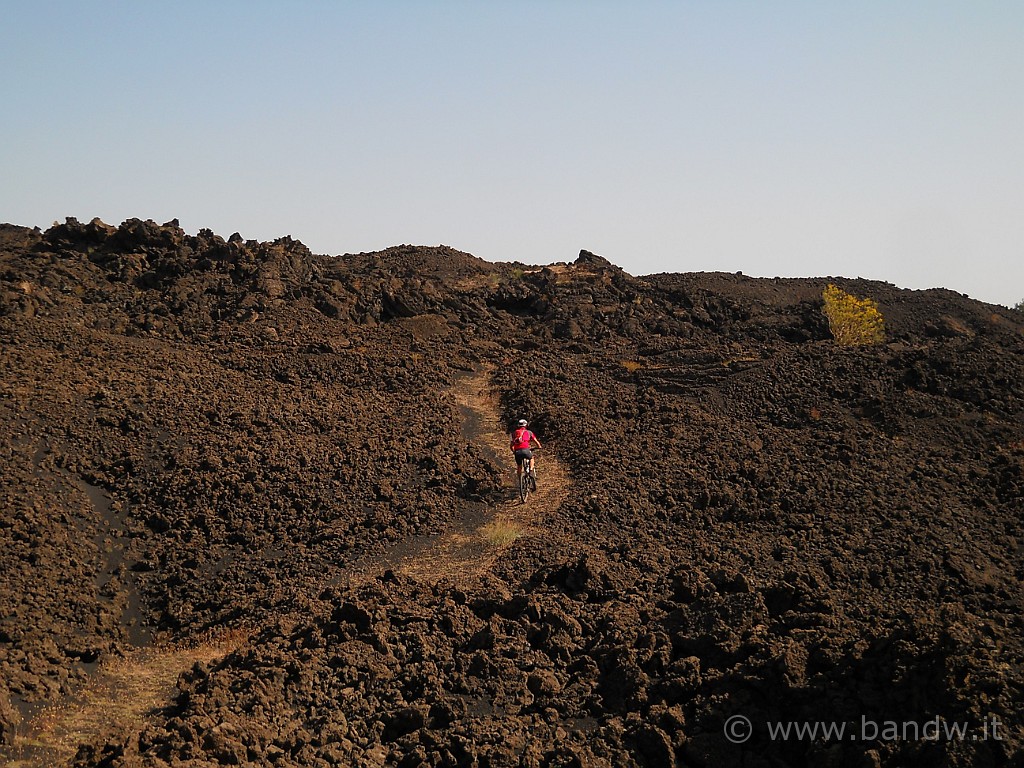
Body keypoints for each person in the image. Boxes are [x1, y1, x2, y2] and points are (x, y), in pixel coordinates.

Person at [510, 418, 542, 486]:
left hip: (517, 452)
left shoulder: (513, 433)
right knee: (531, 458)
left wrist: (514, 451)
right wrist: (539, 446)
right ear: (526, 425)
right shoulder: (529, 432)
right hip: (526, 450)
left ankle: (520, 480)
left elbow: (511, 446)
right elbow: (536, 442)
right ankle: (530, 471)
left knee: (519, 466)